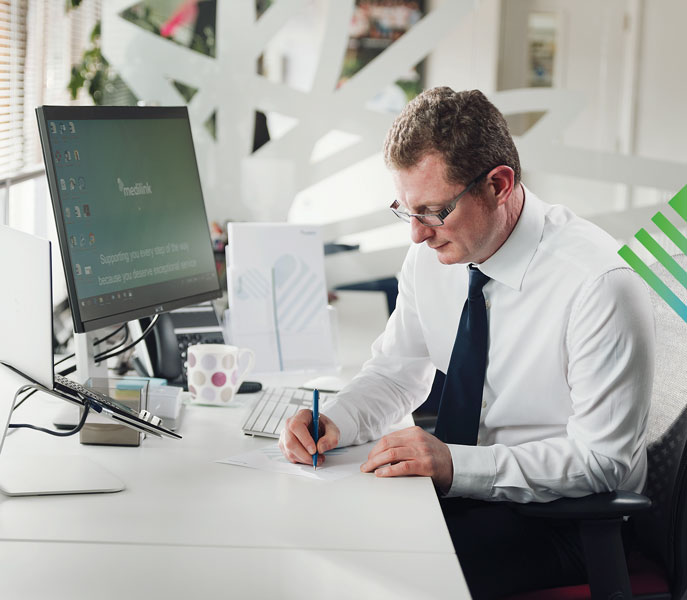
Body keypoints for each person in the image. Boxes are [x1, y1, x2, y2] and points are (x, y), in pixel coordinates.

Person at [279, 87, 655, 598]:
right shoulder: (434, 256)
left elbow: (601, 461)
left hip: (563, 522)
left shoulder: (598, 284)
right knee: (307, 530)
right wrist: (334, 421)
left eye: (433, 211)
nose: (416, 234)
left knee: (365, 573)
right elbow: (396, 372)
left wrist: (455, 466)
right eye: (405, 210)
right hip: (460, 496)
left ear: (499, 184)